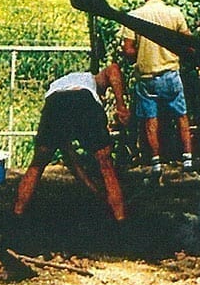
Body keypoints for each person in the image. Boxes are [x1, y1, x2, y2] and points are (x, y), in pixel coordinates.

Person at [13, 62, 130, 223]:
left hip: (55, 105)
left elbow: (71, 160)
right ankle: (120, 219)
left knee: (37, 164)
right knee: (106, 166)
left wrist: (94, 190)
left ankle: (17, 215)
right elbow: (113, 69)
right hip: (84, 100)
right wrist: (121, 107)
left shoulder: (58, 85)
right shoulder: (91, 79)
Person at [121, 0, 195, 180]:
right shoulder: (174, 13)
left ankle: (156, 163)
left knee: (150, 120)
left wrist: (139, 55)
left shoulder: (134, 16)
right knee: (181, 116)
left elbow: (128, 50)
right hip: (171, 73)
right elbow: (189, 43)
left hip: (147, 77)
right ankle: (188, 159)